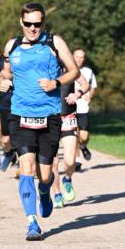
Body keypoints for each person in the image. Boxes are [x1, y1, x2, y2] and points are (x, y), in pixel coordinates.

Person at [2, 2, 79, 241]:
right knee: (26, 167)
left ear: (43, 23)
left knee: (44, 175)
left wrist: (56, 83)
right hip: (20, 114)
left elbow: (73, 71)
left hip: (49, 116)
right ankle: (31, 223)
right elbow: (6, 72)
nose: (33, 28)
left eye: (37, 24)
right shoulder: (12, 45)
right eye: (28, 24)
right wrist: (4, 81)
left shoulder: (54, 43)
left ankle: (45, 191)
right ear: (21, 22)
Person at [51, 77, 81, 208]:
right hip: (50, 119)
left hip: (68, 118)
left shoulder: (70, 68)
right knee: (54, 162)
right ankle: (57, 194)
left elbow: (85, 84)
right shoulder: (43, 66)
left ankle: (67, 178)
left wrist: (77, 94)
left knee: (70, 161)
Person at [73, 48, 97, 161]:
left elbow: (93, 88)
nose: (79, 59)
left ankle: (83, 146)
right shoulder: (67, 70)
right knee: (74, 135)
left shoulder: (88, 71)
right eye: (77, 56)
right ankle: (77, 160)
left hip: (83, 107)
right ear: (72, 57)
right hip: (70, 107)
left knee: (84, 136)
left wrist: (90, 95)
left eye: (81, 57)